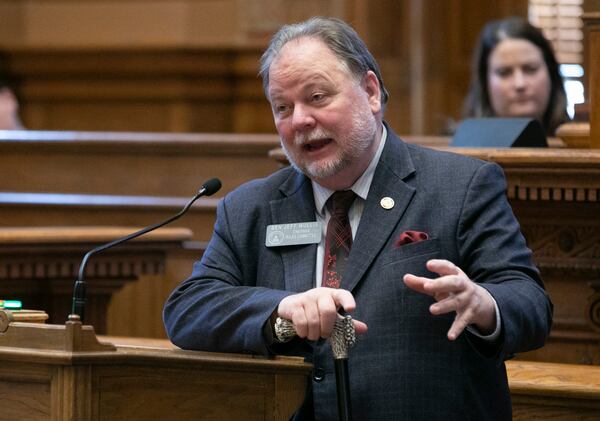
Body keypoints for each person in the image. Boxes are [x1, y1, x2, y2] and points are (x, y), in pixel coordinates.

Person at [164, 16, 552, 420]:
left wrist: (483, 303)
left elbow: (530, 303)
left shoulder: (462, 186)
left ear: (369, 92)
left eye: (317, 97)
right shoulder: (251, 208)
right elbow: (188, 309)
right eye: (283, 107)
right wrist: (283, 311)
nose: (300, 120)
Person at [463, 16, 569, 136]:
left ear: (551, 73)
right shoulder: (451, 148)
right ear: (485, 81)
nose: (520, 84)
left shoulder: (581, 141)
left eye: (530, 69)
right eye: (504, 72)